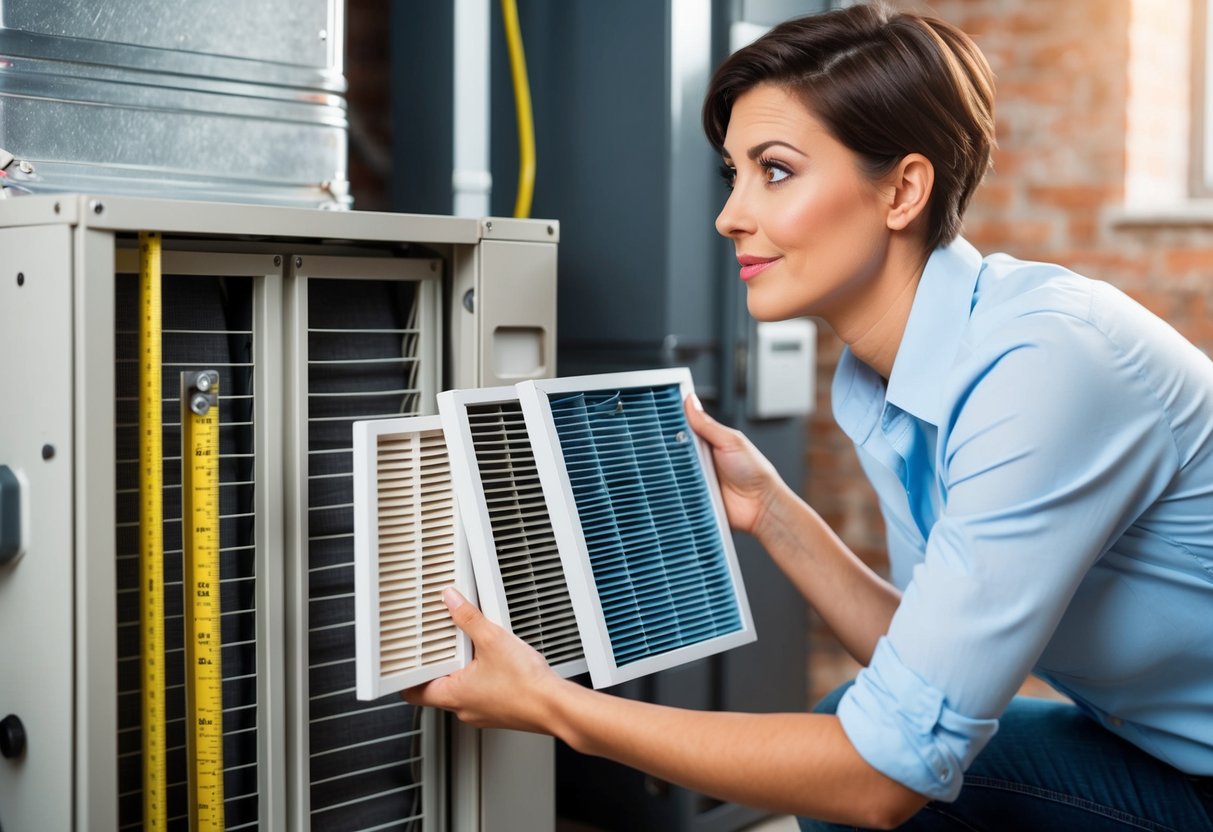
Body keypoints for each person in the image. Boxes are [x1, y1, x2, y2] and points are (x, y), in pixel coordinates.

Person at [405, 2, 1213, 828]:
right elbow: (920, 668)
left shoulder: (1043, 368)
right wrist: (771, 511)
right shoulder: (890, 379)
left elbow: (886, 775)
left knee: (847, 768)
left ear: (901, 189)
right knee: (843, 719)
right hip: (1156, 748)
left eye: (776, 170)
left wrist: (555, 708)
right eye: (733, 174)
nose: (730, 215)